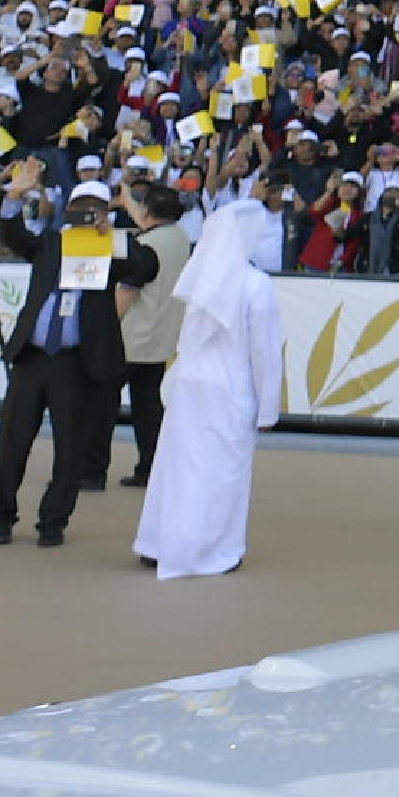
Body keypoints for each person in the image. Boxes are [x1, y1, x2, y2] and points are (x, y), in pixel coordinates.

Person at [0, 178, 150, 547]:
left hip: (76, 361)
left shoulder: (112, 248)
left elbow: (145, 267)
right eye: (82, 207)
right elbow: (14, 236)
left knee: (71, 446)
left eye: (96, 207)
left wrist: (114, 233)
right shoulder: (50, 243)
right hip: (32, 356)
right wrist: (13, 198)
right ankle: (0, 517)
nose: (87, 214)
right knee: (13, 440)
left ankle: (53, 521)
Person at [134, 187, 285, 579]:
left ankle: (158, 542)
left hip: (189, 384)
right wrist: (269, 407)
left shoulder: (200, 278)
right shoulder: (256, 284)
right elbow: (265, 353)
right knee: (221, 474)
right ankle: (210, 550)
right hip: (229, 388)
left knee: (178, 467)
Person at [117, 177, 190, 486]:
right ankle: (151, 468)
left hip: (131, 337)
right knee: (150, 410)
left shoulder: (145, 247)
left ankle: (90, 469)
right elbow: (148, 222)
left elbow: (127, 292)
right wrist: (126, 198)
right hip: (161, 337)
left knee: (99, 406)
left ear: (147, 211)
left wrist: (104, 325)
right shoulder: (180, 237)